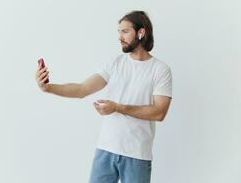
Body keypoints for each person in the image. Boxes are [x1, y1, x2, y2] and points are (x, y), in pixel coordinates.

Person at [35, 10, 172, 183]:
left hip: (137, 154)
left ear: (141, 32)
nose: (120, 37)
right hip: (106, 150)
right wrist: (47, 88)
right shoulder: (115, 63)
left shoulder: (160, 70)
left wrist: (117, 107)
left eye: (125, 31)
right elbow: (81, 89)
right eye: (119, 32)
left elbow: (159, 112)